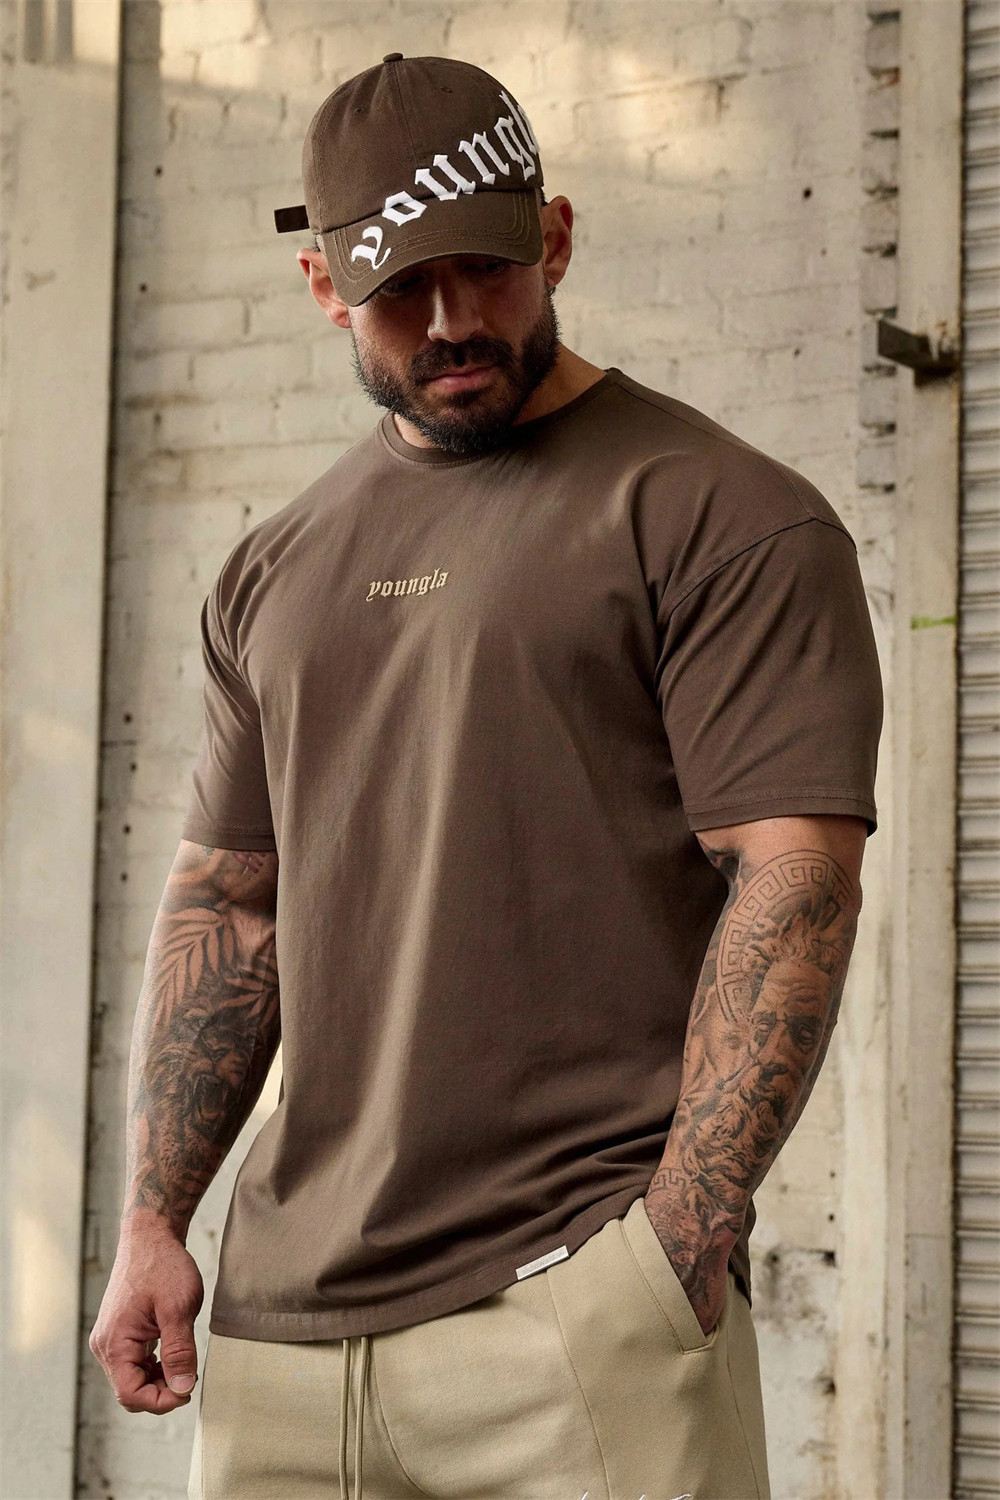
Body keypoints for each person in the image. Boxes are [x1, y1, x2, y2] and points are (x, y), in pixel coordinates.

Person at [88, 52, 883, 1500]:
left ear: (555, 238)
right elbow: (233, 909)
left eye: (488, 269)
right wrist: (153, 1222)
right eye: (402, 289)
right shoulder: (271, 568)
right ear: (325, 287)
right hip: (282, 1348)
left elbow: (794, 879)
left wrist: (678, 1247)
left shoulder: (724, 519)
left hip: (579, 1318)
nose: (455, 321)